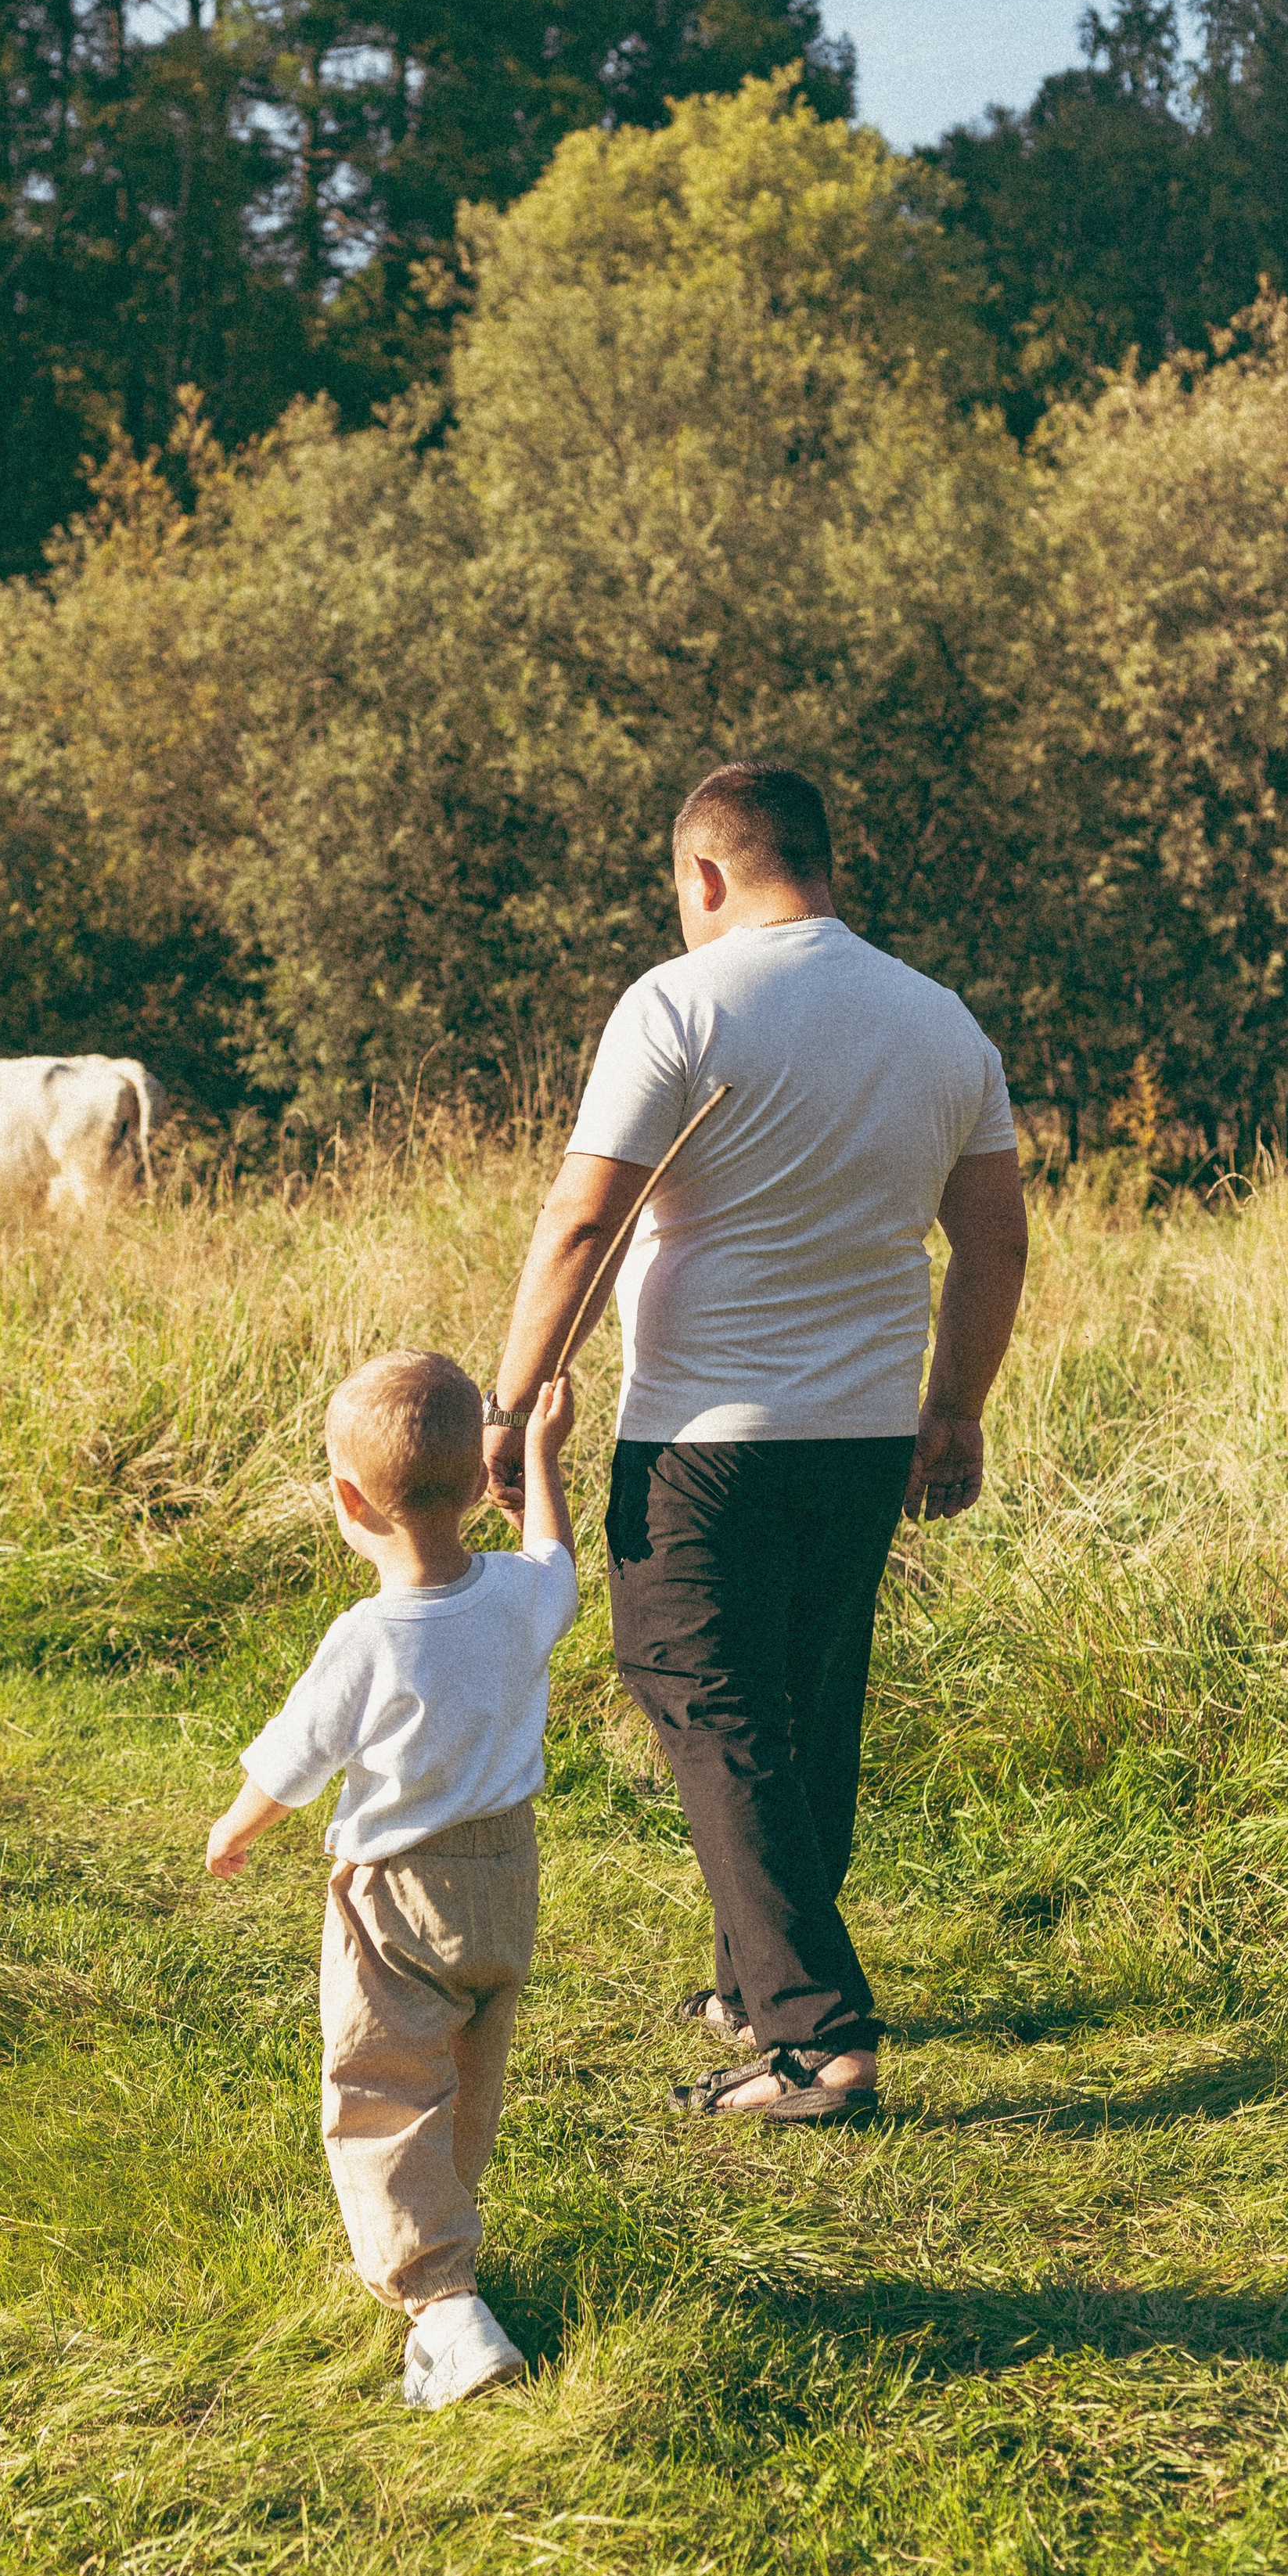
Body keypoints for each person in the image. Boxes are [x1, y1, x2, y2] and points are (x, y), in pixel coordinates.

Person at [483, 762, 1028, 2125]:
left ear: (707, 876)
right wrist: (954, 1407)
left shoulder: (678, 1004)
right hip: (861, 1436)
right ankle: (750, 1981)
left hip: (701, 1438)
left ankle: (818, 2042)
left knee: (702, 1699)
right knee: (800, 1706)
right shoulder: (943, 1021)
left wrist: (512, 1397)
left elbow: (580, 1225)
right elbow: (996, 1238)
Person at [205, 1351, 578, 2409]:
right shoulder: (515, 1597)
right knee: (465, 2071)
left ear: (346, 1500)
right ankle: (448, 2239)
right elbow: (555, 1556)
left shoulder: (368, 1638)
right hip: (506, 1877)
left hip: (398, 1890)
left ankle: (442, 2307)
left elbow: (296, 1755)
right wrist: (541, 1457)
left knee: (382, 2085)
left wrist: (236, 1827)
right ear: (475, 1488)